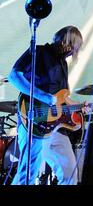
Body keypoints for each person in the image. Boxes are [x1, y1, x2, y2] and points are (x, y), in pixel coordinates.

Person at [8, 26, 84, 185]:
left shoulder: (62, 63)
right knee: (28, 173)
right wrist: (42, 95)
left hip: (55, 127)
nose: (72, 52)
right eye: (73, 46)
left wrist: (79, 106)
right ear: (65, 41)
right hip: (35, 120)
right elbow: (14, 76)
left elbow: (61, 97)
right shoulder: (39, 52)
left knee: (70, 172)